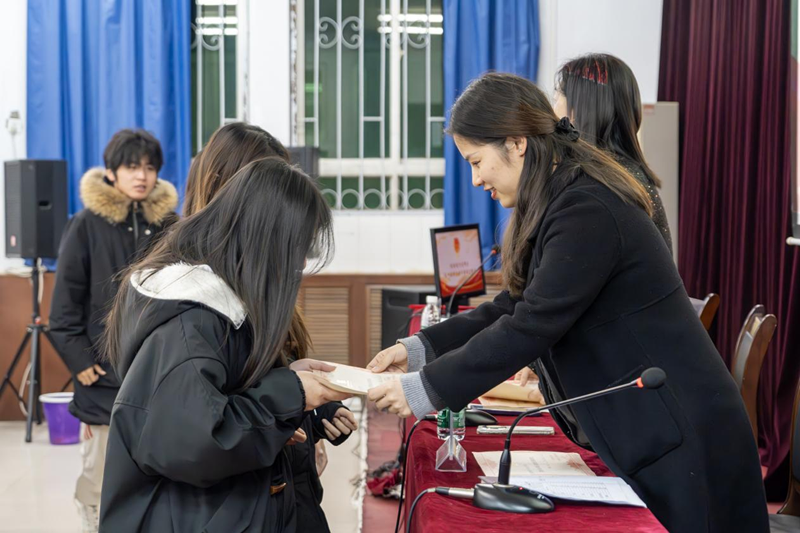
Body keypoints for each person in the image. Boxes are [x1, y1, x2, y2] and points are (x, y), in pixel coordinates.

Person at [365, 72, 769, 532]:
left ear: (516, 144)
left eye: (477, 162)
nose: (476, 180)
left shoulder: (587, 207)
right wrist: (419, 350)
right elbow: (514, 305)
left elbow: (531, 324)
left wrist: (424, 389)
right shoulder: (562, 197)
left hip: (685, 435)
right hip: (657, 427)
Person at [99, 157, 351, 532]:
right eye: (296, 246)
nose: (299, 261)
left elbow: (223, 396)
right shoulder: (192, 322)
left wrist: (289, 376)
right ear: (264, 239)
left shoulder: (219, 307)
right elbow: (198, 442)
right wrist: (290, 393)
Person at [183, 122, 358, 532]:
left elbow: (273, 372)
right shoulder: (195, 293)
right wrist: (286, 406)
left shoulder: (257, 272)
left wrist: (315, 412)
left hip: (284, 479)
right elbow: (209, 422)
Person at [48, 129, 178, 532]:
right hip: (102, 375)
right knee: (101, 471)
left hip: (156, 371)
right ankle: (94, 519)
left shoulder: (170, 225)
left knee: (156, 471)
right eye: (132, 167)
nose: (141, 175)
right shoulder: (85, 224)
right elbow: (64, 305)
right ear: (111, 172)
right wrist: (79, 361)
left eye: (150, 167)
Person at [554, 53, 672, 253]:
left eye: (556, 99)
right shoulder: (625, 177)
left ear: (576, 111)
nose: (552, 110)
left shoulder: (598, 190)